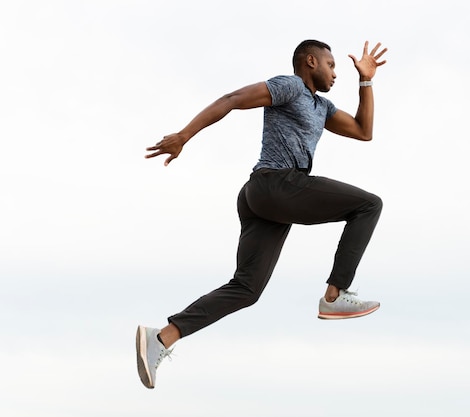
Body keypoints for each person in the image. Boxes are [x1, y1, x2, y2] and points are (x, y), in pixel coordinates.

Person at [136, 39, 388, 389]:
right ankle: (335, 296)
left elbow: (364, 131)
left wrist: (367, 81)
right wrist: (184, 135)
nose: (335, 74)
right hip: (275, 184)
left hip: (265, 198)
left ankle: (162, 337)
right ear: (311, 61)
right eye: (332, 66)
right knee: (368, 204)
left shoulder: (322, 107)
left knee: (247, 289)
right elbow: (232, 100)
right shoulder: (290, 86)